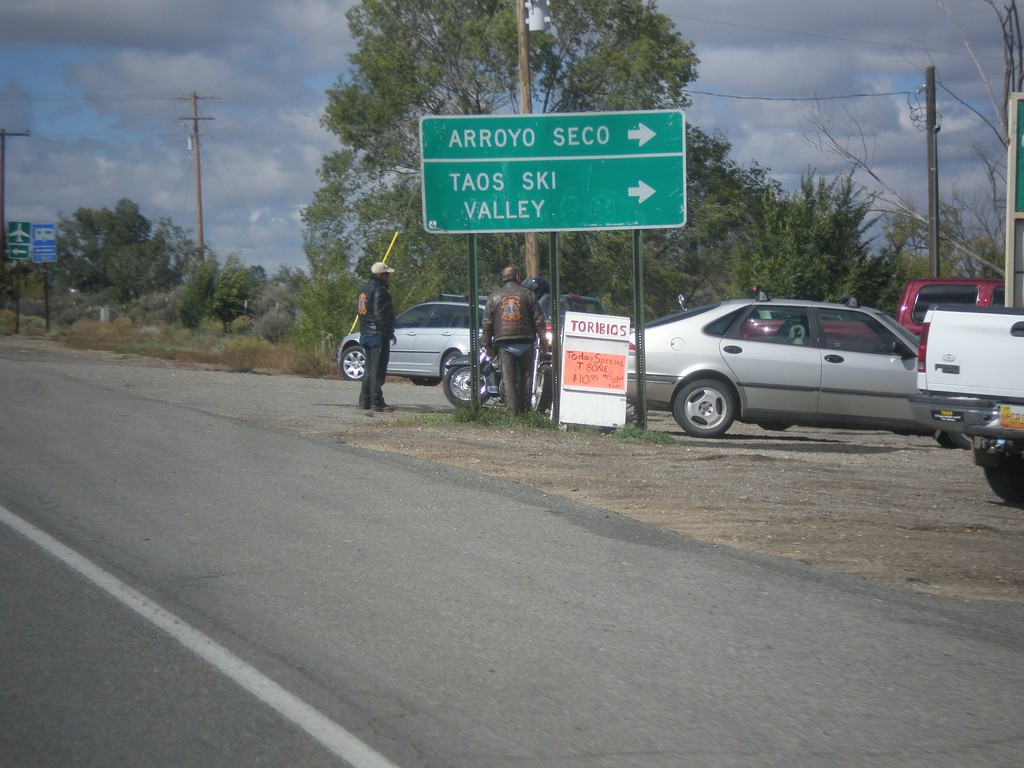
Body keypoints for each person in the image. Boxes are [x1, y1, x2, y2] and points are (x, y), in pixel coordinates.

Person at [481, 266, 547, 417]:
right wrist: (544, 342)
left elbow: (487, 323)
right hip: (526, 341)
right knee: (527, 376)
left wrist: (487, 345)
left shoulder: (494, 297)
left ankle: (512, 414)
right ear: (517, 277)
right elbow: (539, 320)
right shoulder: (528, 294)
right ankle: (525, 411)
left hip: (504, 343)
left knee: (508, 379)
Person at [356, 261, 397, 412]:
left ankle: (366, 400)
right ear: (380, 275)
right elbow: (381, 315)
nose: (389, 277)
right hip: (377, 335)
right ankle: (373, 401)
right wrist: (389, 333)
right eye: (387, 274)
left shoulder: (363, 289)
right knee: (378, 371)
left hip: (366, 333)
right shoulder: (380, 290)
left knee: (369, 369)